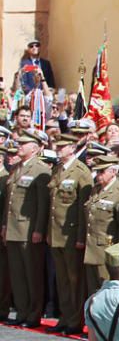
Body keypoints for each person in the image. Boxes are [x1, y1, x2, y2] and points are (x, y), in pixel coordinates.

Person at [3, 130, 50, 327]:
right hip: (13, 229)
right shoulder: (17, 168)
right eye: (19, 142)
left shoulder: (40, 169)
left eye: (24, 143)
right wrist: (5, 225)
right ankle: (22, 312)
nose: (19, 146)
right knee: (17, 275)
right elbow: (9, 200)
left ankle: (33, 313)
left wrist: (39, 229)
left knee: (32, 274)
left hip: (29, 230)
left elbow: (43, 204)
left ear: (35, 147)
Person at [46, 133, 92, 335]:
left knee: (74, 280)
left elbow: (84, 208)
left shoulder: (81, 172)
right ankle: (65, 317)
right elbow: (53, 205)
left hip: (72, 233)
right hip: (56, 232)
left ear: (72, 148)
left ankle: (74, 319)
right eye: (58, 145)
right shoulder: (57, 169)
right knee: (62, 279)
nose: (59, 148)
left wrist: (81, 237)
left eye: (63, 146)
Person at [84, 155, 119, 295]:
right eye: (97, 171)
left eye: (102, 171)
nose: (98, 175)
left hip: (107, 250)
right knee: (93, 291)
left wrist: (118, 255)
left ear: (113, 172)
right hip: (91, 248)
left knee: (106, 290)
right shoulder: (96, 190)